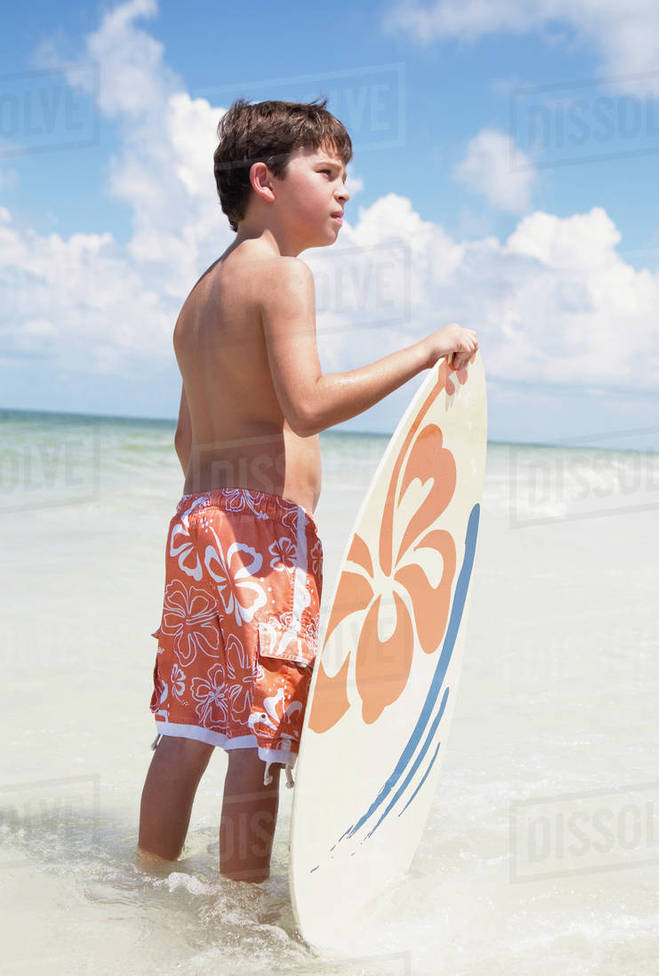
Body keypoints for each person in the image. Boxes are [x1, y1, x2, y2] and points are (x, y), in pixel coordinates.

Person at [136, 97, 478, 884]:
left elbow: (186, 439)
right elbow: (309, 402)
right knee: (262, 737)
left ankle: (143, 887)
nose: (344, 190)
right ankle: (242, 919)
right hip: (261, 538)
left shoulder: (198, 299)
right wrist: (425, 352)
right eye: (325, 172)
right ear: (264, 179)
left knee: (187, 728)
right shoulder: (285, 275)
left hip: (196, 524)